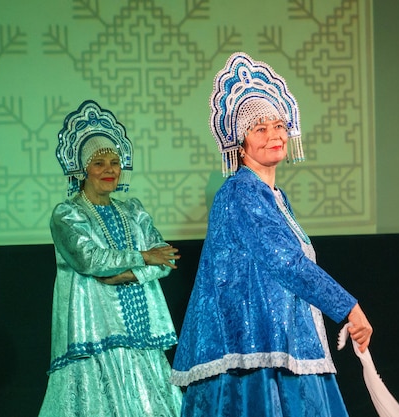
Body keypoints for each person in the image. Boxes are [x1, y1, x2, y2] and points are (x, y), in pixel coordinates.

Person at [170, 52, 373, 417]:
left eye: (279, 125)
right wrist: (348, 307)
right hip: (251, 352)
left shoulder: (275, 196)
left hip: (279, 340)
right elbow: (287, 262)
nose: (274, 135)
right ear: (241, 142)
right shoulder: (240, 192)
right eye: (260, 128)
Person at [38, 100, 183, 416]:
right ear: (82, 169)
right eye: (99, 163)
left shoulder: (133, 210)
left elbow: (166, 257)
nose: (109, 170)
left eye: (115, 162)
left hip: (141, 335)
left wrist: (128, 272)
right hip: (95, 331)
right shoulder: (68, 214)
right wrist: (144, 257)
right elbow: (91, 260)